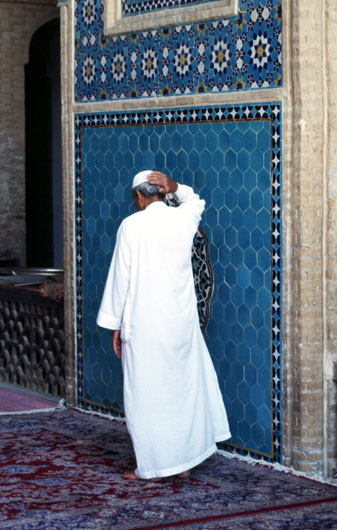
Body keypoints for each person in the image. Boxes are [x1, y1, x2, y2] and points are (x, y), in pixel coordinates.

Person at [97, 170, 230, 480]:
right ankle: (183, 462)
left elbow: (120, 278)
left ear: (139, 196)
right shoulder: (182, 219)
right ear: (163, 192)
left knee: (146, 396)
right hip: (181, 325)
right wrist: (176, 187)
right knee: (180, 391)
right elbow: (195, 201)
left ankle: (156, 468)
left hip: (145, 326)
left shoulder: (131, 226)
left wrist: (115, 322)